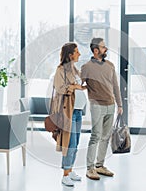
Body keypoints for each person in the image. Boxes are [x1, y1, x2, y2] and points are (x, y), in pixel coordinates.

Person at [81, 37, 123, 180]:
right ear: (95, 50)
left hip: (110, 104)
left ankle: (100, 165)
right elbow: (78, 84)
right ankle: (90, 168)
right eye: (103, 47)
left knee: (105, 137)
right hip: (96, 105)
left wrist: (120, 104)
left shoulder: (110, 65)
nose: (106, 49)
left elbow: (115, 86)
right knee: (95, 136)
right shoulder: (86, 67)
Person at [52, 42, 87, 187]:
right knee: (69, 144)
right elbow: (59, 87)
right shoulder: (61, 70)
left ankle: (71, 170)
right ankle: (65, 174)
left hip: (78, 111)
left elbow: (81, 84)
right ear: (70, 54)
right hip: (68, 112)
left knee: (76, 142)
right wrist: (75, 86)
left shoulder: (74, 69)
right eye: (77, 52)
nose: (79, 54)